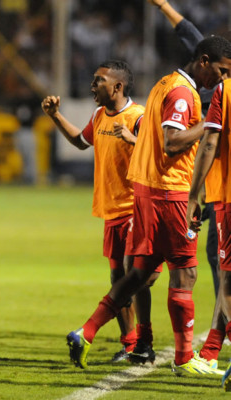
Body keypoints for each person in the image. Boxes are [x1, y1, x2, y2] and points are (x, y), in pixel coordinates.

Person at [65, 36, 231, 374]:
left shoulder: (163, 83)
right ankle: (185, 359)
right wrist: (210, 125)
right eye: (221, 70)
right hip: (170, 193)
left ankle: (87, 331)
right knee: (185, 273)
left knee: (138, 273)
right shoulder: (184, 94)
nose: (222, 79)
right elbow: (171, 143)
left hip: (145, 192)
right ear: (204, 61)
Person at [42, 60, 154, 363]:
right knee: (118, 278)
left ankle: (143, 340)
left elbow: (158, 155)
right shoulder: (99, 115)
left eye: (98, 81)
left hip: (135, 211)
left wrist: (134, 140)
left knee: (135, 277)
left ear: (117, 86)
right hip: (111, 212)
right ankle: (131, 343)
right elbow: (80, 142)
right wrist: (55, 116)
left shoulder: (139, 117)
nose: (92, 86)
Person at [148, 0, 228, 371]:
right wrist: (164, 6)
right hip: (206, 181)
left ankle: (212, 342)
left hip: (209, 181)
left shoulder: (219, 84)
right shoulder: (206, 74)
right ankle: (208, 343)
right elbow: (190, 34)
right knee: (211, 264)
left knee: (216, 265)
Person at [187, 77, 231, 390]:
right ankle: (211, 350)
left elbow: (210, 141)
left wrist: (193, 194)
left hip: (227, 194)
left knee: (227, 279)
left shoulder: (224, 90)